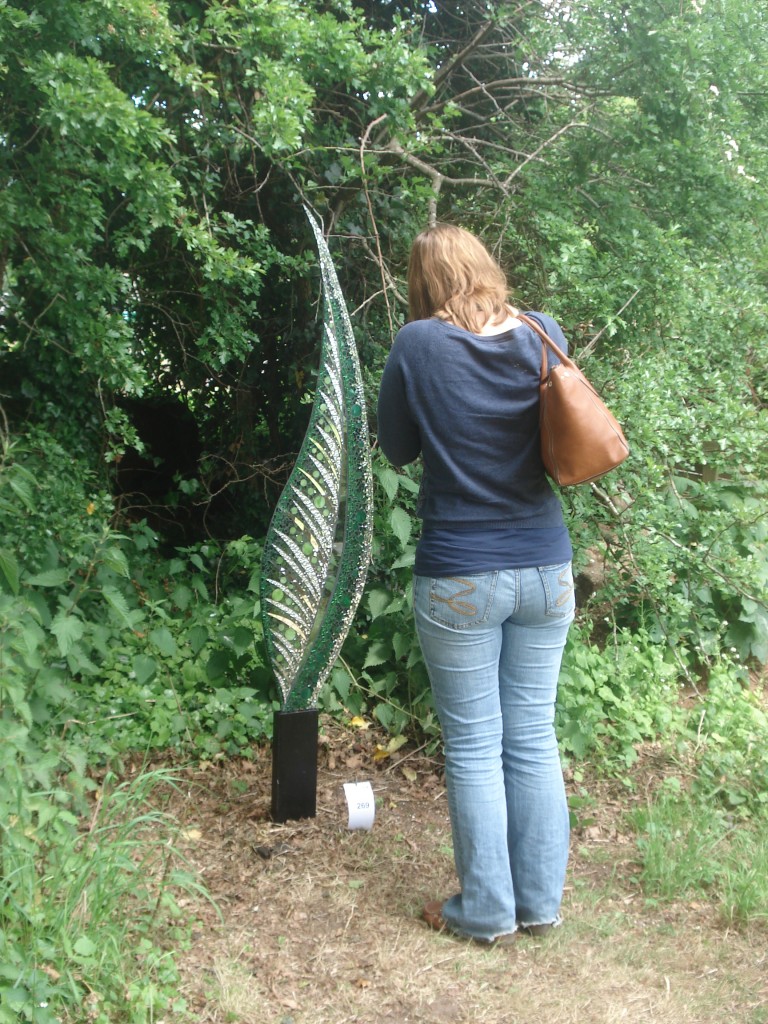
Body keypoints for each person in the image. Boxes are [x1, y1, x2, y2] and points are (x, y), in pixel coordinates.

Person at [376, 223, 575, 946]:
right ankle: (540, 904)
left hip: (461, 568)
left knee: (473, 745)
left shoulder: (416, 345)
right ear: (486, 266)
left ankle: (486, 912)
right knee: (532, 735)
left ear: (423, 280)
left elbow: (396, 448)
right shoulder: (542, 330)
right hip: (547, 567)